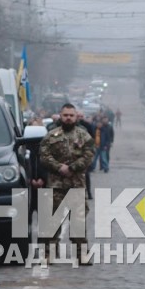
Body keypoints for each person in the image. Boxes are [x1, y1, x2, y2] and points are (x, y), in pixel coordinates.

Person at [40, 101, 97, 262]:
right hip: (56, 184)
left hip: (76, 184)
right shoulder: (51, 135)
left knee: (78, 221)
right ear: (60, 116)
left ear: (76, 116)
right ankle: (49, 253)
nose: (68, 118)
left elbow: (89, 155)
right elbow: (44, 155)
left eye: (71, 115)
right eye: (65, 115)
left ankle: (81, 253)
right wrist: (59, 167)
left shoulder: (84, 135)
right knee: (52, 220)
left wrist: (72, 168)